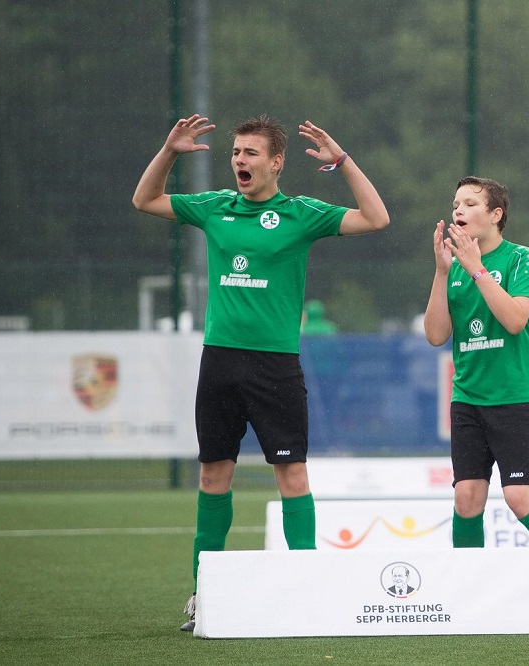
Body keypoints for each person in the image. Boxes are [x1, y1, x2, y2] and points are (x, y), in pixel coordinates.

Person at [132, 114, 389, 631]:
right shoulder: (214, 208)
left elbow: (376, 217)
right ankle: (203, 595)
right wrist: (168, 152)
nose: (239, 162)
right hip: (220, 361)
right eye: (235, 154)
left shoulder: (301, 213)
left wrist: (342, 161)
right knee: (212, 476)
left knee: (291, 475)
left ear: (276, 162)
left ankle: (305, 592)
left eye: (250, 154)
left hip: (275, 366)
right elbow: (144, 201)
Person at [423, 176, 529, 549]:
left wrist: (477, 269)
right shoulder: (453, 268)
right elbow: (436, 335)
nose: (459, 209)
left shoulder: (521, 258)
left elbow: (515, 319)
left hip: (512, 396)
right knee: (466, 497)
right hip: (468, 398)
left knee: (519, 497)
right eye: (456, 203)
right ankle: (469, 591)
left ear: (495, 215)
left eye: (471, 203)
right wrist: (442, 272)